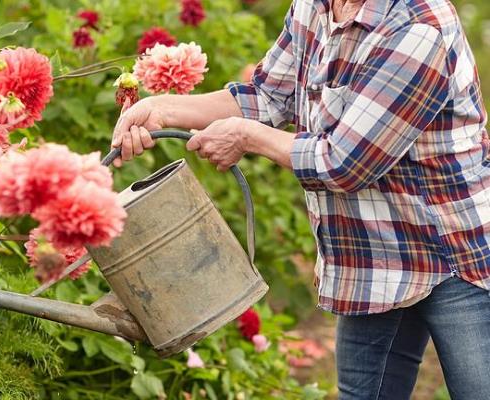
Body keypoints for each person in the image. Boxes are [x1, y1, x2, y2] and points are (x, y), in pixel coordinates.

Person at [111, 0, 490, 398]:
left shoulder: (419, 25)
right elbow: (267, 97)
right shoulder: (315, 7)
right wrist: (161, 109)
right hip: (372, 259)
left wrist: (245, 137)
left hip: (454, 254)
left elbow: (345, 161)